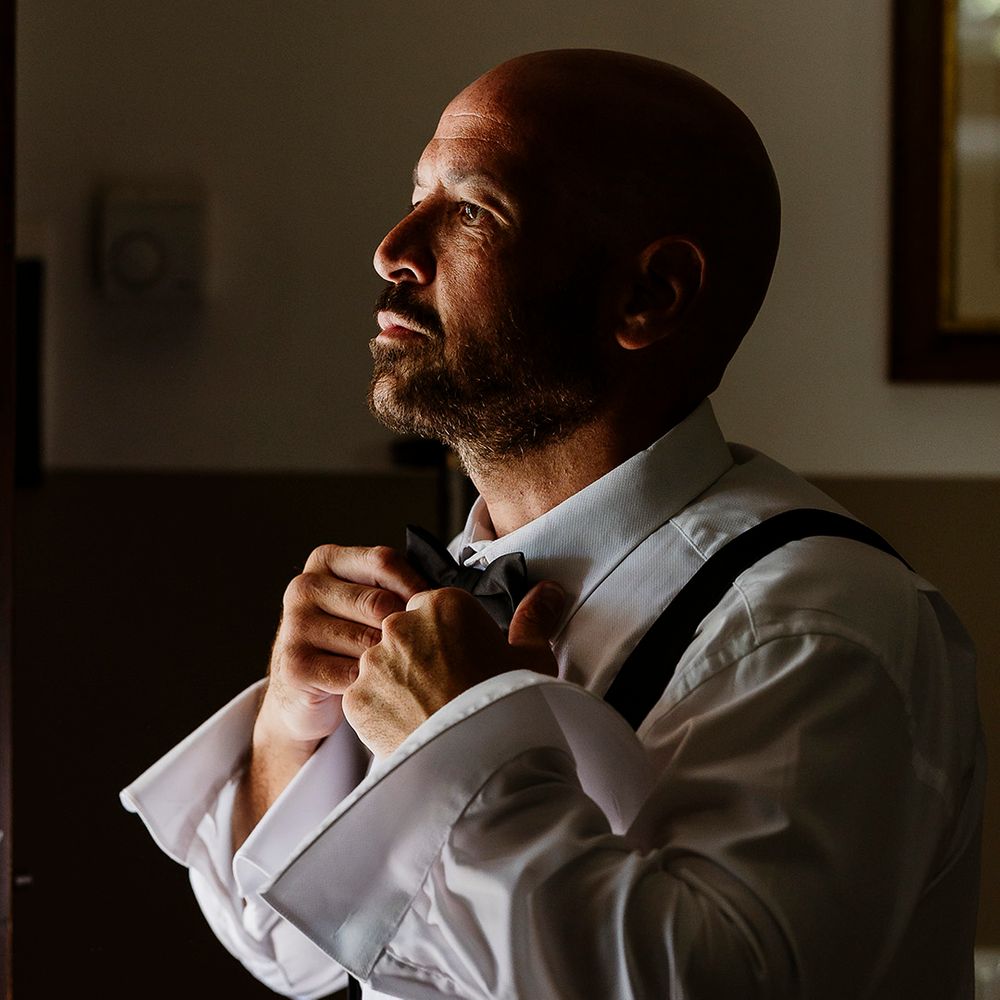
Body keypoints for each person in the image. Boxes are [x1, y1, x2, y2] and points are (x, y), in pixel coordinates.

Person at [121, 49, 985, 999]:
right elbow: (292, 953)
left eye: (473, 210)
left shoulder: (811, 624)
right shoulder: (447, 596)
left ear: (649, 296)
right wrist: (295, 729)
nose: (393, 247)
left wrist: (463, 742)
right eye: (417, 194)